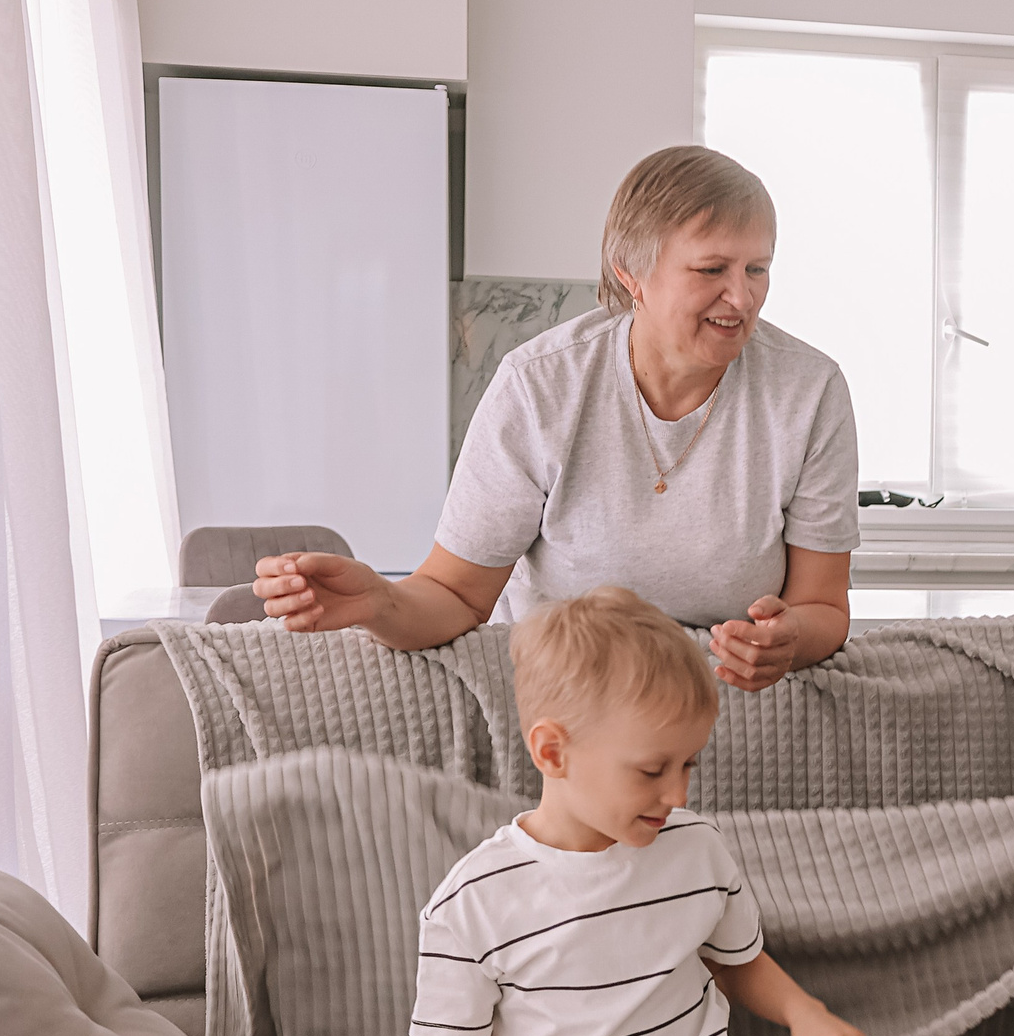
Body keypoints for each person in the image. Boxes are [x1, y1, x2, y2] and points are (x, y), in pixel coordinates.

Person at [413, 586, 973, 1036]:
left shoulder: (695, 848)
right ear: (552, 751)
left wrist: (805, 1013)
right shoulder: (470, 902)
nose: (677, 795)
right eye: (652, 771)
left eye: (689, 766)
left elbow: (738, 965)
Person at [253, 146, 860, 691]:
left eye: (757, 269)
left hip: (722, 701)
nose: (743, 297)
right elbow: (455, 595)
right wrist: (377, 602)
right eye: (711, 270)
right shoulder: (540, 384)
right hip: (566, 698)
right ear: (631, 273)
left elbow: (823, 609)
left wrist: (788, 641)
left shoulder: (810, 390)